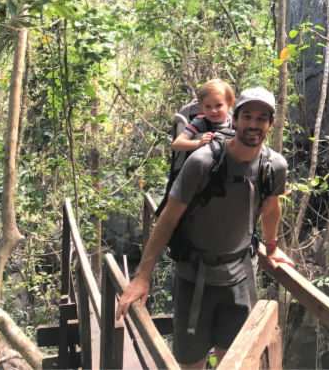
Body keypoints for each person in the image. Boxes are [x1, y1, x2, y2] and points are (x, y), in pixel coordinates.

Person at [116, 86, 294, 369]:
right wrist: (142, 275)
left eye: (262, 118)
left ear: (270, 124)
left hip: (239, 277)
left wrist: (271, 248)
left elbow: (271, 208)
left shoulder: (274, 166)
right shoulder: (203, 162)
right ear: (234, 119)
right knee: (191, 363)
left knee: (235, 360)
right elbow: (169, 217)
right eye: (247, 116)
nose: (253, 124)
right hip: (194, 276)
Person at [172, 79, 236, 154]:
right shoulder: (200, 122)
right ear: (202, 107)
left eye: (218, 105)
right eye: (208, 106)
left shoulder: (234, 122)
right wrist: (199, 143)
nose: (213, 111)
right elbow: (176, 144)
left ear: (230, 104)